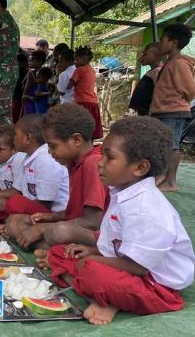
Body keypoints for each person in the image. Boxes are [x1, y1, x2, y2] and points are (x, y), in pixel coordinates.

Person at [47, 116, 195, 326]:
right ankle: (101, 296)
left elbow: (138, 267)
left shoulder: (147, 209)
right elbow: (117, 241)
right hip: (128, 269)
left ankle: (103, 299)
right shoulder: (122, 192)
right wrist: (94, 251)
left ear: (140, 168)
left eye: (109, 158)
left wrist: (95, 261)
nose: (100, 162)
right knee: (61, 253)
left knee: (92, 271)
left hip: (156, 286)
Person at [4, 104, 108, 252]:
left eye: (53, 146)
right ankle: (52, 250)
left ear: (76, 140)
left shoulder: (92, 163)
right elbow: (74, 212)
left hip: (90, 234)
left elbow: (92, 222)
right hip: (70, 225)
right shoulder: (74, 163)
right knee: (14, 221)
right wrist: (50, 217)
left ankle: (55, 252)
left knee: (59, 231)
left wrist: (42, 229)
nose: (49, 152)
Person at [0, 115, 69, 223]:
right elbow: (17, 191)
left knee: (13, 205)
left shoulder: (45, 160)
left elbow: (45, 204)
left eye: (15, 134)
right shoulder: (27, 157)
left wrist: (8, 205)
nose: (13, 138)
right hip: (32, 207)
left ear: (28, 138)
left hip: (53, 215)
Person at [150, 23, 195, 192]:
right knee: (165, 144)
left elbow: (190, 90)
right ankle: (162, 176)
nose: (160, 44)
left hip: (173, 111)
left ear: (173, 43)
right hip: (164, 110)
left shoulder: (179, 64)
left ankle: (170, 181)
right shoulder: (171, 62)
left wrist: (177, 100)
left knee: (172, 145)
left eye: (163, 40)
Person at [69, 46, 103, 139]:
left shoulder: (79, 70)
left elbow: (70, 85)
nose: (74, 62)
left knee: (80, 127)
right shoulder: (92, 70)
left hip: (82, 102)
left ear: (83, 59)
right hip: (92, 102)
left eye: (76, 60)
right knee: (90, 128)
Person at [128, 42, 162, 116]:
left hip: (149, 112)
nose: (142, 57)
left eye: (145, 54)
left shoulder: (158, 72)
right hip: (143, 111)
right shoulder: (152, 72)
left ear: (156, 56)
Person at [22, 50, 47, 116]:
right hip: (32, 100)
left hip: (33, 100)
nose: (30, 63)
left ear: (40, 62)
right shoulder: (34, 72)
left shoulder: (32, 73)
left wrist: (24, 96)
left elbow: (26, 87)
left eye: (32, 61)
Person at [12, 53, 28, 123]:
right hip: (18, 97)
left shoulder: (23, 73)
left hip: (18, 97)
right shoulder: (24, 72)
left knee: (16, 116)